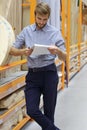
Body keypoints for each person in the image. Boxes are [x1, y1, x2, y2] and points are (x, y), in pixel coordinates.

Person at [9, 2, 67, 130]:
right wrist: (23, 52)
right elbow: (12, 50)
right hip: (33, 76)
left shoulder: (54, 32)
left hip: (49, 74)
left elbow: (65, 56)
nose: (41, 22)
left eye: (45, 19)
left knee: (49, 113)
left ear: (48, 17)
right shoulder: (27, 31)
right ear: (35, 16)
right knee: (32, 109)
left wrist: (57, 51)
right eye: (39, 19)